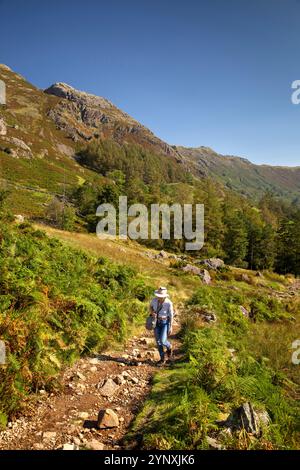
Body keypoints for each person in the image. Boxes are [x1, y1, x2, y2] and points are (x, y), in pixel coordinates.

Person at [149, 286, 174, 365]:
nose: (159, 298)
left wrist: (170, 326)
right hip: (156, 322)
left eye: (161, 297)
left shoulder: (168, 303)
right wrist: (152, 312)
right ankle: (162, 359)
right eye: (158, 296)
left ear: (165, 296)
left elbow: (171, 315)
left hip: (164, 322)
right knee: (158, 342)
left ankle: (169, 346)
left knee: (163, 341)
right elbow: (150, 307)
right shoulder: (154, 300)